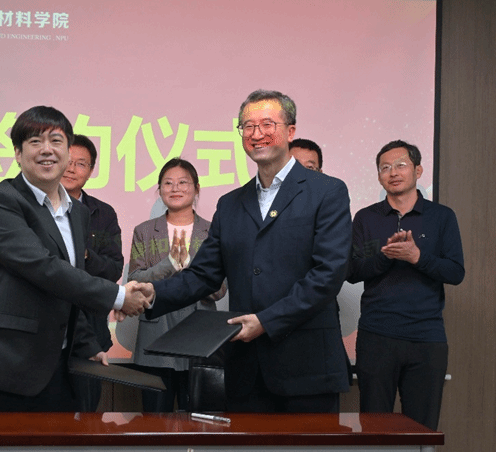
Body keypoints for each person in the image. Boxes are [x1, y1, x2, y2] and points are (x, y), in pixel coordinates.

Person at [137, 89, 352, 413]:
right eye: (248, 126)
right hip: (246, 371)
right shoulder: (230, 204)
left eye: (267, 124)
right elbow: (203, 275)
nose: (256, 133)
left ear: (290, 131)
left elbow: (328, 274)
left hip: (307, 368)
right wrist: (151, 294)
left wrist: (266, 321)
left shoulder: (327, 191)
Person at [0, 106, 149, 412]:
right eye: (35, 141)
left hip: (57, 367)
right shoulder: (0, 202)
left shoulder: (78, 213)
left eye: (56, 141)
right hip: (3, 366)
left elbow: (67, 285)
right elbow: (44, 268)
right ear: (18, 154)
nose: (47, 150)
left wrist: (86, 344)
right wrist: (119, 296)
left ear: (68, 152)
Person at [347, 139, 464, 430]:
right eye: (385, 168)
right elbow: (352, 271)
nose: (393, 172)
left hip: (426, 337)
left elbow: (455, 272)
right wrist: (385, 257)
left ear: (418, 170)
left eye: (400, 165)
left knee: (422, 430)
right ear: (378, 176)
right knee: (374, 429)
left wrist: (417, 257)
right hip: (376, 336)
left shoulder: (442, 216)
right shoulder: (366, 218)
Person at [128, 158, 226, 412]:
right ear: (159, 189)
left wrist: (194, 270)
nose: (175, 188)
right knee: (154, 421)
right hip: (156, 335)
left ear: (197, 188)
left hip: (199, 336)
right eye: (168, 183)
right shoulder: (144, 232)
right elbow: (134, 281)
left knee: (198, 421)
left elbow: (220, 289)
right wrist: (169, 265)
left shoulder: (213, 232)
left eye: (183, 182)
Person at [61, 134, 124, 412]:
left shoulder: (104, 214)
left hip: (91, 327)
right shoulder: (36, 209)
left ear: (91, 171)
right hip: (47, 328)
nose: (71, 169)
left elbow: (114, 268)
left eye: (81, 164)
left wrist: (85, 255)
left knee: (88, 412)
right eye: (67, 161)